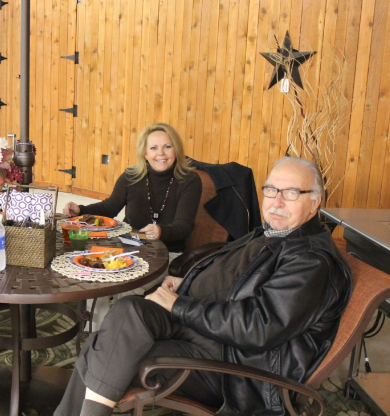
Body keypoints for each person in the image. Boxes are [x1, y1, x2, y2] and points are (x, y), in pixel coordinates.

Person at [55, 157, 353, 416]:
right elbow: (244, 281)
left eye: (290, 193)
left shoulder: (311, 261)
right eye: (271, 190)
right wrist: (190, 283)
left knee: (111, 348)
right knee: (128, 314)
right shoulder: (280, 234)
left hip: (240, 368)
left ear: (315, 202)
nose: (276, 202)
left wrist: (178, 304)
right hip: (213, 334)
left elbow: (258, 328)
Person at [63, 122, 202, 253]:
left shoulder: (189, 180)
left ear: (176, 150)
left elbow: (184, 226)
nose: (161, 153)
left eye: (167, 146)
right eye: (153, 148)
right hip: (128, 246)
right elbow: (109, 208)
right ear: (145, 154)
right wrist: (81, 210)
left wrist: (161, 231)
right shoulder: (131, 176)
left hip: (168, 252)